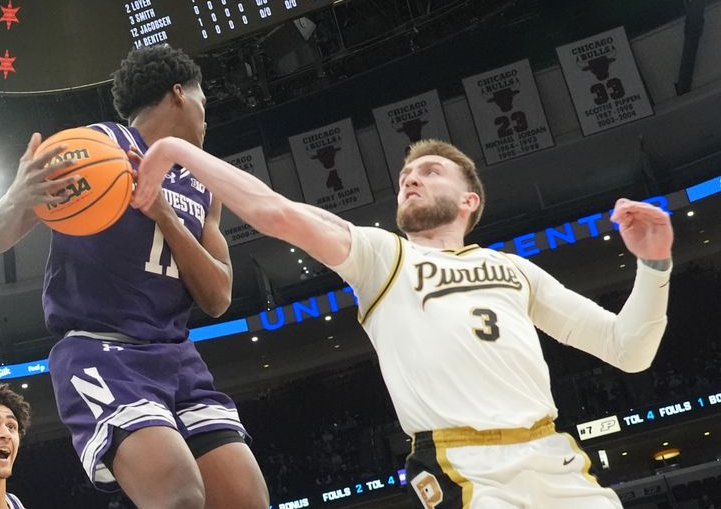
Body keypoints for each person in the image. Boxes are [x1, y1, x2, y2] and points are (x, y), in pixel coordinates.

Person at [132, 137, 673, 508]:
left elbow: (628, 349)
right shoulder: (383, 256)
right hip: (464, 465)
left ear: (469, 199)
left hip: (553, 455)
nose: (410, 180)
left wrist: (654, 266)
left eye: (429, 172)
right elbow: (274, 210)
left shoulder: (516, 270)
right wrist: (178, 150)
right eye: (405, 177)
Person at [0, 45, 269, 509]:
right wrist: (18, 197)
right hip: (101, 351)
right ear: (180, 94)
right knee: (179, 495)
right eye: (204, 101)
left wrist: (164, 216)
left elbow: (218, 298)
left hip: (177, 355)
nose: (205, 116)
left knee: (246, 500)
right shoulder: (95, 147)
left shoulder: (203, 184)